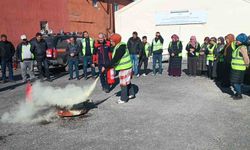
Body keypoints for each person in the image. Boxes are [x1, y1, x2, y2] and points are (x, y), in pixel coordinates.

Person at [104, 33, 135, 104]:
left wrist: (106, 67)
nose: (111, 42)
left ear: (116, 40)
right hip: (127, 67)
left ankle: (124, 99)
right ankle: (131, 94)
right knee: (128, 81)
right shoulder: (119, 45)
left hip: (125, 68)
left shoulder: (121, 48)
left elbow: (115, 59)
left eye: (112, 41)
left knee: (123, 83)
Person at [230, 33, 250, 100]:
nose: (236, 41)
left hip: (239, 69)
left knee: (235, 83)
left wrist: (247, 66)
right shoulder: (238, 47)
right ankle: (237, 93)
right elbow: (232, 44)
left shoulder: (242, 48)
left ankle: (239, 95)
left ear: (242, 41)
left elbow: (246, 58)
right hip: (235, 68)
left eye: (238, 40)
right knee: (235, 82)